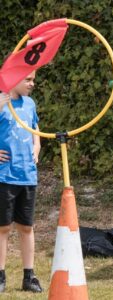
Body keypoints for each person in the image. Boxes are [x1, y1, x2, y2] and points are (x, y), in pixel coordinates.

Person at [0, 71, 43, 293]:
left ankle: (29, 276)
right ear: (12, 77)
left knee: (27, 227)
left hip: (27, 174)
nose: (32, 83)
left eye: (33, 79)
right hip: (4, 175)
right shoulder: (0, 102)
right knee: (3, 228)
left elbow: (35, 127)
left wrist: (37, 145)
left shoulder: (30, 103)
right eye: (27, 79)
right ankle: (0, 276)